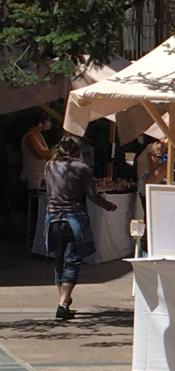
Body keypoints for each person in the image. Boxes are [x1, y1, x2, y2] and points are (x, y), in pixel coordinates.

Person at [43, 136, 117, 319]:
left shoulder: (49, 166)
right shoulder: (81, 168)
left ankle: (64, 300)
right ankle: (62, 304)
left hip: (52, 218)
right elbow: (92, 195)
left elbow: (49, 190)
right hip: (73, 217)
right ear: (77, 151)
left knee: (58, 261)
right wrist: (108, 206)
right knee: (73, 260)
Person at [21, 110, 52, 190]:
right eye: (47, 121)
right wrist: (54, 152)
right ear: (40, 122)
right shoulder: (30, 136)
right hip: (31, 177)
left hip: (40, 177)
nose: (49, 123)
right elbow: (39, 154)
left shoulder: (39, 135)